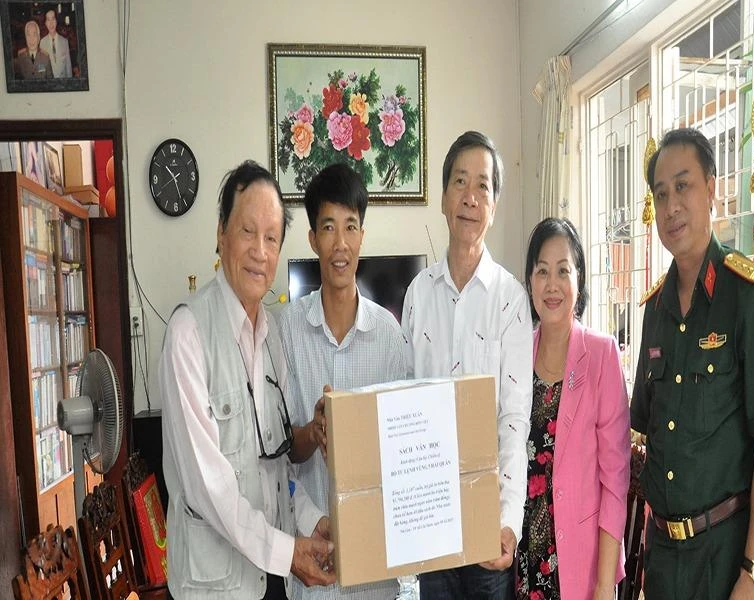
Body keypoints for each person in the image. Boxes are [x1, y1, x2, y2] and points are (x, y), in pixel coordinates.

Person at [631, 127, 754, 599]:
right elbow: (646, 433)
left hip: (724, 558)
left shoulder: (749, 296)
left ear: (711, 189)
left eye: (683, 186)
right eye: (661, 193)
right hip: (662, 559)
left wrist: (753, 571)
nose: (671, 206)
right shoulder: (654, 310)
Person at [159, 160, 336, 600]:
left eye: (271, 238)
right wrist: (289, 552)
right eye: (247, 231)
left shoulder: (272, 337)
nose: (260, 250)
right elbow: (210, 488)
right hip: (216, 588)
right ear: (221, 233)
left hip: (270, 580)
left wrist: (313, 521)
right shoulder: (188, 333)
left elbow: (276, 468)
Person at [401, 131, 533, 599]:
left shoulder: (511, 299)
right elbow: (406, 408)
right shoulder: (417, 294)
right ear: (442, 198)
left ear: (493, 206)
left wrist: (508, 522)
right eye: (460, 182)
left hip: (486, 523)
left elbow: (514, 418)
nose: (470, 197)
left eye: (483, 186)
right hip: (432, 518)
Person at [277, 162, 407, 600]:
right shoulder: (286, 331)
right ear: (313, 238)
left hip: (374, 570)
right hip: (311, 561)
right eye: (328, 227)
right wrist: (314, 432)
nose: (340, 243)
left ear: (362, 236)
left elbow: (401, 450)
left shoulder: (388, 336)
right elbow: (278, 452)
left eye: (350, 226)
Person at [516, 217, 630, 599]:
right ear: (529, 281)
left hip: (582, 568)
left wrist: (604, 585)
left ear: (579, 279)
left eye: (563, 271)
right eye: (542, 271)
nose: (552, 284)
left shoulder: (601, 355)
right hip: (523, 564)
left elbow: (615, 481)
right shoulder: (515, 355)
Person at [40, 10, 72, 78]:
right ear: (45, 23)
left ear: (56, 21)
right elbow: (41, 67)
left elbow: (68, 67)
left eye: (53, 19)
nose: (51, 23)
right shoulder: (42, 43)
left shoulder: (64, 41)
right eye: (48, 20)